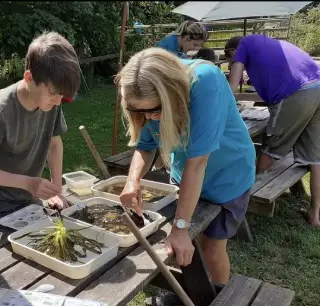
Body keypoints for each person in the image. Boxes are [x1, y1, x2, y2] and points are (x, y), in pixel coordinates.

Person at [117, 47, 256, 286]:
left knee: (212, 248)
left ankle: (218, 302)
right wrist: (132, 182)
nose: (148, 117)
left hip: (227, 176)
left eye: (155, 110)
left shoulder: (206, 82)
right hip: (186, 178)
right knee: (190, 243)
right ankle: (198, 294)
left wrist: (180, 228)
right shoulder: (147, 101)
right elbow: (145, 145)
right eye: (139, 111)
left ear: (173, 95)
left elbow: (199, 161)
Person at [0, 31, 81, 221]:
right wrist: (29, 184)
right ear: (29, 78)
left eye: (62, 96)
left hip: (28, 196)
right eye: (53, 93)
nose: (57, 101)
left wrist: (56, 189)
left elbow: (54, 144)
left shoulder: (51, 103)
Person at [225, 35, 320, 226]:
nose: (232, 63)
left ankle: (246, 207)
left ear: (232, 52)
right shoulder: (270, 43)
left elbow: (231, 87)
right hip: (317, 86)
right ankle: (315, 213)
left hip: (297, 93)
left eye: (231, 60)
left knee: (270, 147)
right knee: (315, 157)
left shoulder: (243, 44)